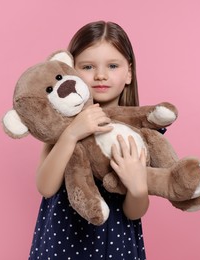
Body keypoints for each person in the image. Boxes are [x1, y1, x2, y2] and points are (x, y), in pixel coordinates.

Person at [29, 21, 148, 260]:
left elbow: (134, 212)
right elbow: (46, 187)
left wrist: (138, 188)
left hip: (116, 243)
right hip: (60, 242)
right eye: (87, 66)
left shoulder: (138, 132)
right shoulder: (60, 124)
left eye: (113, 66)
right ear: (71, 70)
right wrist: (72, 133)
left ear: (129, 73)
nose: (100, 75)